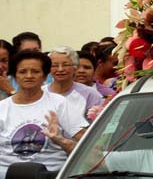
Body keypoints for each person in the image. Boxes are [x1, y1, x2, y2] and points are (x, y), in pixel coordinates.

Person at [0, 50, 88, 178]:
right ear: (14, 76)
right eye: (23, 72)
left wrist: (61, 140)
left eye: (35, 71)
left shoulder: (59, 103)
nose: (29, 76)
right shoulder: (2, 108)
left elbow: (86, 144)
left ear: (45, 76)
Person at [44, 47, 104, 121]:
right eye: (55, 65)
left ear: (75, 67)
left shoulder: (90, 94)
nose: (60, 69)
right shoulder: (40, 93)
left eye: (65, 65)